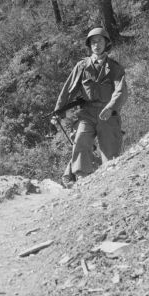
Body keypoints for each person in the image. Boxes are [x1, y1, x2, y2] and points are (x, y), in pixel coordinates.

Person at [52, 27, 128, 188]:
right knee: (81, 141)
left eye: (100, 41)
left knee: (110, 150)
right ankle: (81, 179)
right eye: (93, 42)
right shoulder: (82, 66)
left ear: (106, 43)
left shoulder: (114, 67)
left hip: (108, 114)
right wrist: (58, 111)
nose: (96, 45)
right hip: (87, 113)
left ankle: (110, 182)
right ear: (89, 45)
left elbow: (121, 90)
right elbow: (67, 90)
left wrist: (111, 107)